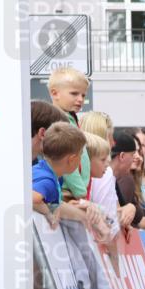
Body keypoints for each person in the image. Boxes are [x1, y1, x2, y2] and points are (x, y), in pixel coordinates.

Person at [47, 67, 91, 199]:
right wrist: (80, 192)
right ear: (55, 93)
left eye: (83, 95)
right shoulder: (59, 121)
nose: (80, 99)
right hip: (69, 192)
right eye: (74, 94)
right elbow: (65, 158)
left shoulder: (70, 118)